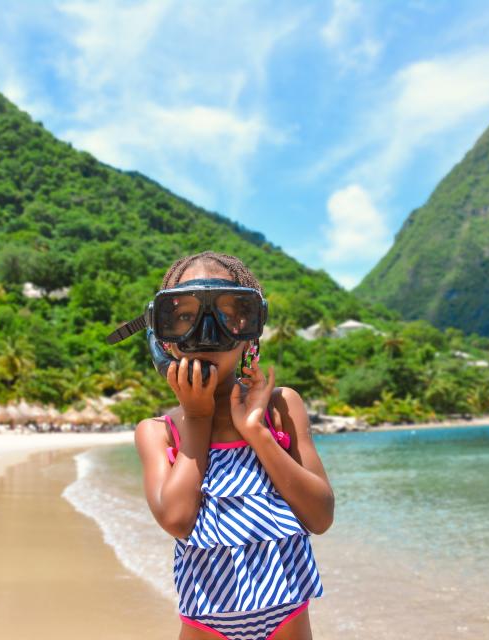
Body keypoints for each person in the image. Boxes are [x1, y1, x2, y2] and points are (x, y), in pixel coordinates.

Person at [113, 251, 334, 640]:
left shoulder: (280, 408)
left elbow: (320, 516)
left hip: (288, 618)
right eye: (183, 316)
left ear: (253, 326)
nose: (207, 331)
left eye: (231, 313)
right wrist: (196, 419)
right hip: (206, 626)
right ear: (162, 336)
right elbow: (178, 520)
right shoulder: (159, 431)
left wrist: (257, 433)